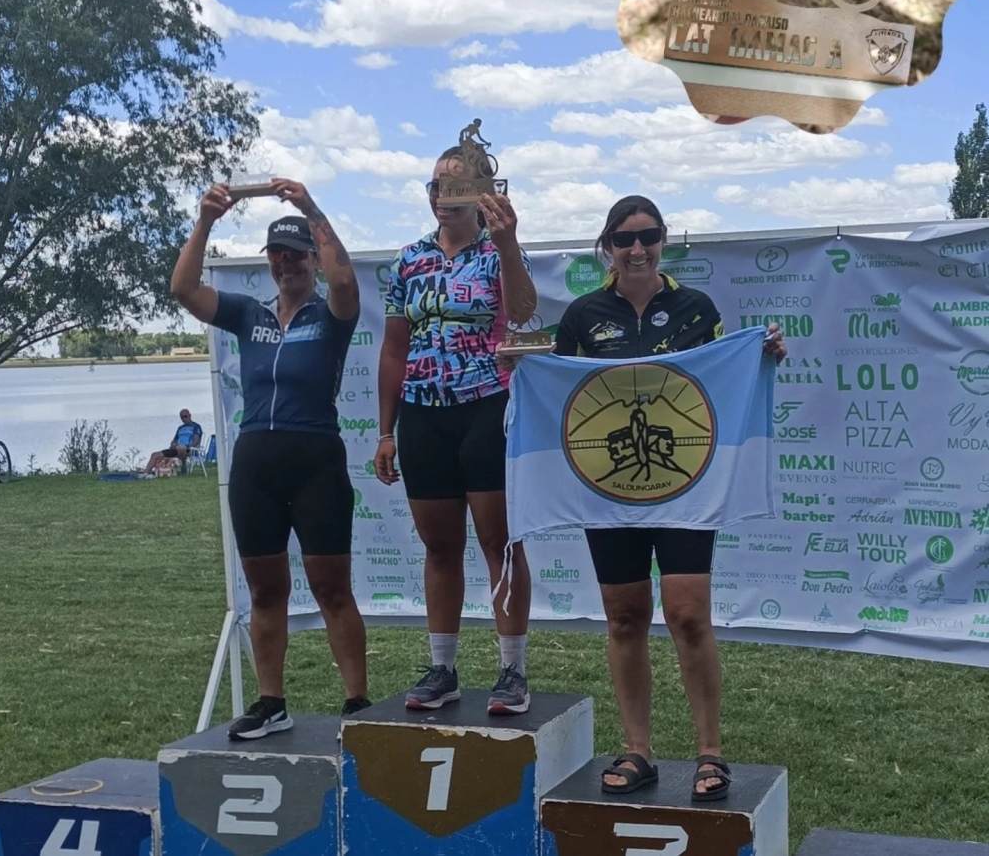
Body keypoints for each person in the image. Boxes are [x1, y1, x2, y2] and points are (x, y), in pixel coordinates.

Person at [553, 195, 785, 799]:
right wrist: (522, 370)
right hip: (610, 492)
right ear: (607, 245)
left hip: (685, 487)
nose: (637, 249)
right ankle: (638, 752)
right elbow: (561, 398)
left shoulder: (694, 307)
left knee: (686, 614)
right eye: (625, 239)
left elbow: (719, 380)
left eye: (648, 236)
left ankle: (710, 752)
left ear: (663, 240)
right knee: (625, 619)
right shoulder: (582, 315)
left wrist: (760, 358)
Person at [171, 178, 370, 738]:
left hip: (315, 460)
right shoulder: (246, 314)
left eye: (297, 256)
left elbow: (347, 279)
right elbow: (183, 288)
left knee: (332, 587)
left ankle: (356, 703)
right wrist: (206, 219)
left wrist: (309, 207)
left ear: (312, 259)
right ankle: (271, 702)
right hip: (255, 461)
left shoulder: (332, 315)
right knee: (265, 591)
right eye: (278, 257)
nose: (287, 266)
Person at [374, 146, 537, 715]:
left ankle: (512, 671)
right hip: (422, 413)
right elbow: (395, 348)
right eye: (437, 186)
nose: (445, 196)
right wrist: (386, 431)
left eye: (458, 186)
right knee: (440, 547)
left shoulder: (495, 254)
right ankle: (442, 668)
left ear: (481, 194)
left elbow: (521, 312)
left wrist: (510, 242)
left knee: (501, 544)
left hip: (485, 406)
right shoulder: (409, 259)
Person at [143, 408, 202, 476]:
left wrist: (189, 447)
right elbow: (174, 440)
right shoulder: (180, 428)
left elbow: (196, 440)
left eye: (185, 416)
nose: (184, 419)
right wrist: (173, 445)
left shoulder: (196, 427)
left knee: (181, 448)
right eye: (182, 417)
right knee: (154, 455)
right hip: (176, 448)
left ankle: (184, 467)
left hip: (188, 449)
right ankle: (145, 473)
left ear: (189, 415)